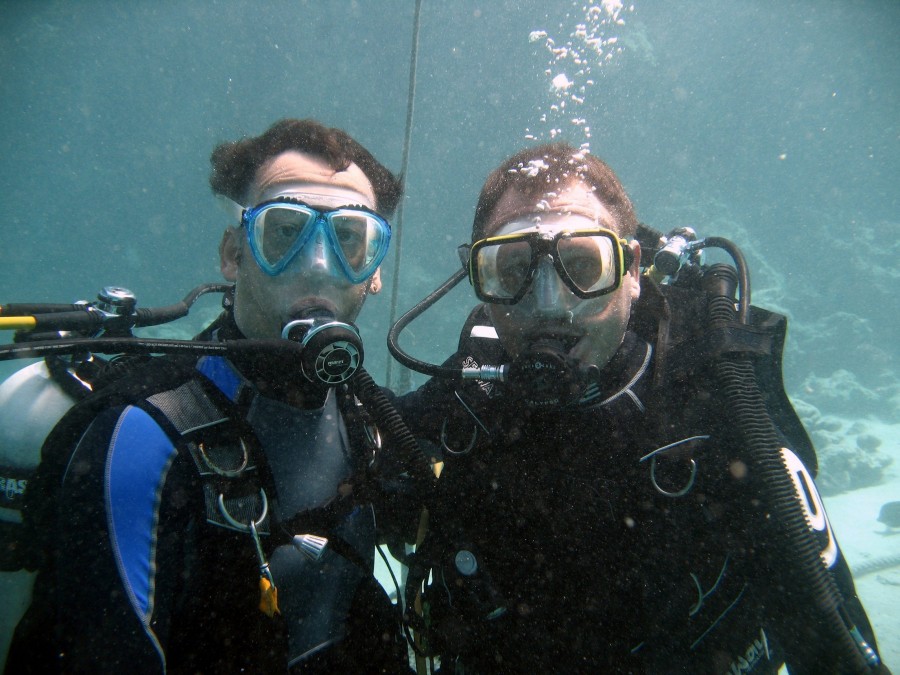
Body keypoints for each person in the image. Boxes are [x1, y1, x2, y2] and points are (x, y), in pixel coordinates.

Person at [394, 142, 888, 673]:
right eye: (513, 270)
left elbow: (833, 643)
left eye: (583, 265)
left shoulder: (712, 399)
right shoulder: (469, 392)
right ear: (480, 281)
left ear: (632, 271)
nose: (549, 306)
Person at [4, 118, 421, 673]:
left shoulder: (368, 418)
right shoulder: (144, 435)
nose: (319, 266)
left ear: (374, 272)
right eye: (284, 232)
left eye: (349, 239)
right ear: (233, 254)